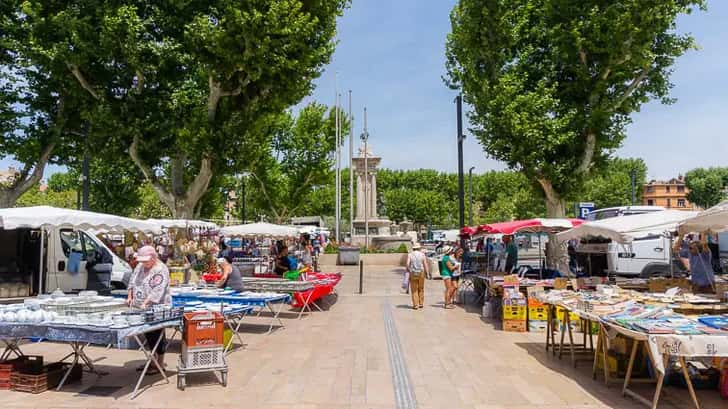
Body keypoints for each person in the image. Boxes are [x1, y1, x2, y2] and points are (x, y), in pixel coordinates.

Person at [126, 245, 171, 375]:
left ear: (153, 257)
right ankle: (152, 361)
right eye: (142, 261)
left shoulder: (161, 269)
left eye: (146, 261)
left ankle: (159, 363)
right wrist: (130, 296)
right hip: (140, 305)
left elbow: (158, 289)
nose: (143, 263)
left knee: (156, 334)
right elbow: (132, 281)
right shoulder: (140, 266)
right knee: (147, 333)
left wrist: (146, 302)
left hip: (157, 307)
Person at [406, 243, 429, 310]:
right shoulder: (422, 254)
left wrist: (408, 270)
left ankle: (415, 305)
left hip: (413, 272)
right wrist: (427, 274)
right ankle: (421, 303)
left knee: (414, 290)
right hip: (421, 273)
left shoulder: (410, 254)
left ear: (413, 248)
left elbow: (407, 264)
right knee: (421, 288)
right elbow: (425, 264)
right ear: (419, 248)